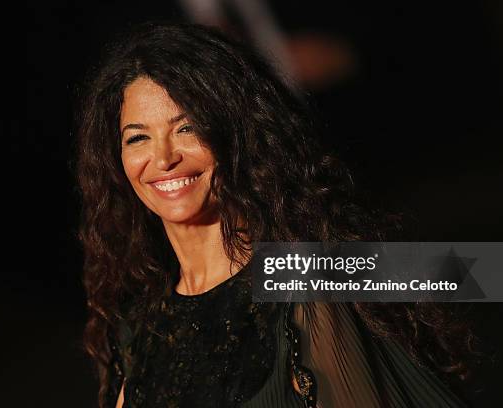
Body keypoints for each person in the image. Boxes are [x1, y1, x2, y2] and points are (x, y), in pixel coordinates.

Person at [77, 22, 474, 407]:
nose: (163, 158)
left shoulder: (298, 273)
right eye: (138, 137)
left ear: (235, 133)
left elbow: (463, 271)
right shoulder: (140, 325)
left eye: (188, 128)